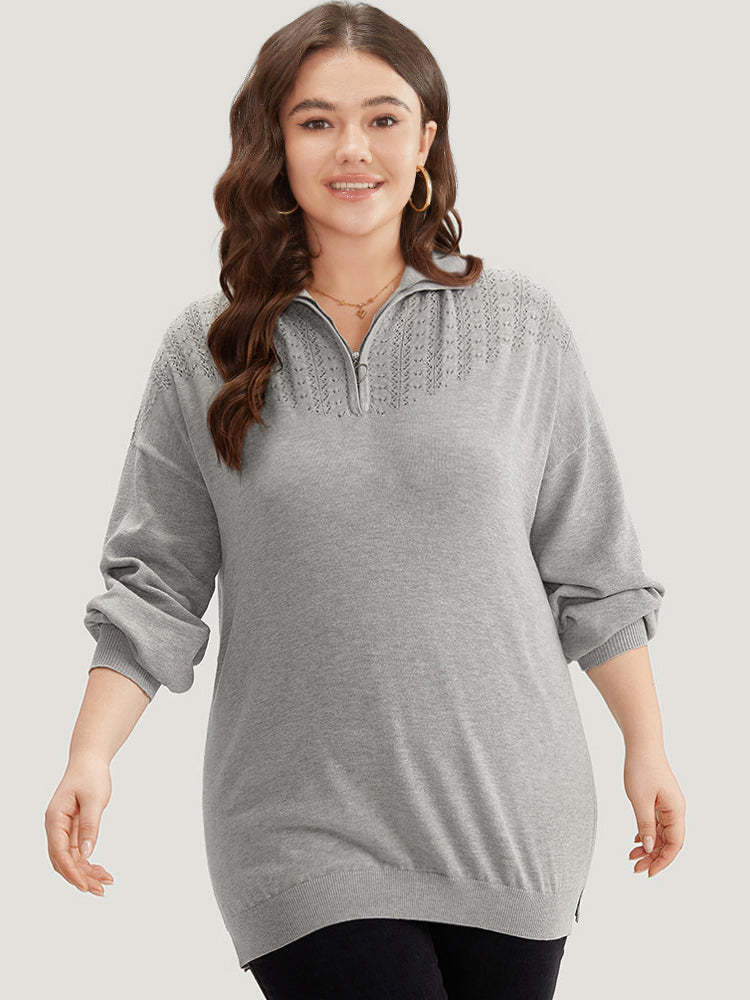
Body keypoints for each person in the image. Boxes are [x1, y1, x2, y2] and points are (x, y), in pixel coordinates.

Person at [45, 3, 686, 997]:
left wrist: (647, 747)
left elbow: (592, 563)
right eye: (317, 121)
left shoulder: (519, 325)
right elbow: (155, 582)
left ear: (425, 140)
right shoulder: (206, 349)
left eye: (383, 119)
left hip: (510, 816)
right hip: (296, 827)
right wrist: (91, 753)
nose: (353, 149)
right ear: (275, 144)